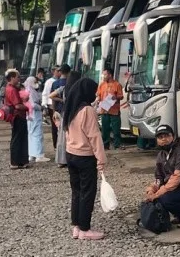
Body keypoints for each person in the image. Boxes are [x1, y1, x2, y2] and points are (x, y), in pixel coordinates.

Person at [62, 77, 106, 240]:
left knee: (77, 191)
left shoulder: (71, 107)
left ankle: (76, 227)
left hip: (71, 154)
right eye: (94, 92)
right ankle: (85, 229)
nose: (95, 95)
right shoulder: (87, 110)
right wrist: (102, 159)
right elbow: (94, 136)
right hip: (85, 156)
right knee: (88, 193)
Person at [5, 69, 30, 169]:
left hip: (16, 116)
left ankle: (19, 161)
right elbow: (18, 106)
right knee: (19, 139)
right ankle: (17, 161)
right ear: (12, 78)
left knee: (19, 139)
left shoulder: (10, 88)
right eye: (17, 77)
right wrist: (28, 107)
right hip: (18, 116)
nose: (19, 79)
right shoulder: (12, 90)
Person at [95, 68, 124, 150]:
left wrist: (116, 97)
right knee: (104, 129)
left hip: (114, 111)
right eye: (103, 74)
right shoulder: (101, 85)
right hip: (104, 110)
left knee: (116, 130)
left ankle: (117, 145)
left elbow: (121, 96)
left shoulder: (117, 85)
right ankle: (105, 145)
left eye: (105, 74)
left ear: (110, 75)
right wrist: (97, 100)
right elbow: (98, 95)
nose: (103, 76)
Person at [24, 74, 49, 162]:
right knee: (37, 135)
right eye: (34, 82)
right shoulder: (30, 92)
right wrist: (41, 107)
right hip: (34, 115)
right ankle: (39, 155)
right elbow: (33, 104)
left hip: (30, 115)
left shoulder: (28, 90)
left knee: (31, 135)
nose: (36, 83)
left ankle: (31, 154)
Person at [42, 66, 61, 149]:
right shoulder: (49, 82)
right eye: (58, 71)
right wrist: (44, 106)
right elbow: (45, 94)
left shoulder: (61, 81)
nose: (59, 72)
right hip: (51, 105)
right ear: (54, 72)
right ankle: (55, 144)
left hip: (59, 105)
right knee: (54, 125)